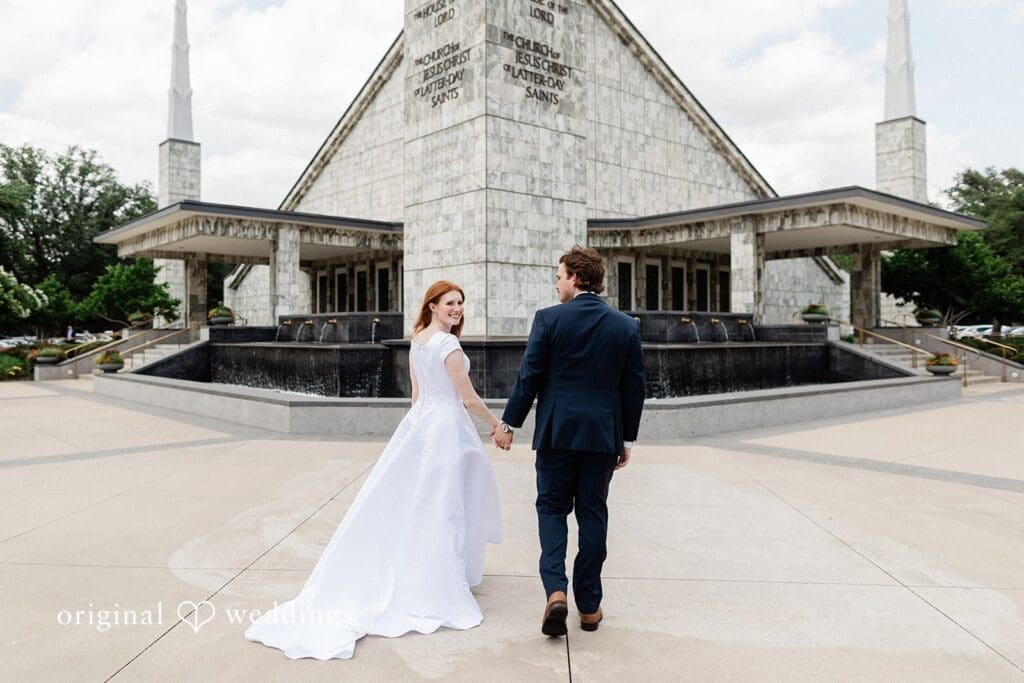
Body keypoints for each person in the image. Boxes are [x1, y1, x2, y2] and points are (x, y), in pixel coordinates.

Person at [245, 281, 503, 660]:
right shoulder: (447, 345)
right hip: (446, 428)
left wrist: (415, 431)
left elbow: (417, 397)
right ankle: (436, 581)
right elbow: (466, 397)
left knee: (424, 501)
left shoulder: (418, 339)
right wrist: (497, 425)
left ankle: (434, 567)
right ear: (431, 305)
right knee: (442, 504)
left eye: (461, 303)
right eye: (450, 303)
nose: (457, 308)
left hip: (424, 424)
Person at [500, 246, 645, 636]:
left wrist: (510, 422)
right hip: (602, 437)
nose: (557, 281)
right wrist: (626, 439)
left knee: (551, 509)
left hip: (556, 434)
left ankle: (556, 592)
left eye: (560, 275)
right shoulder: (625, 326)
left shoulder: (549, 319)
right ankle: (591, 607)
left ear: (576, 278)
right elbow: (634, 389)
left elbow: (529, 376)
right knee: (593, 513)